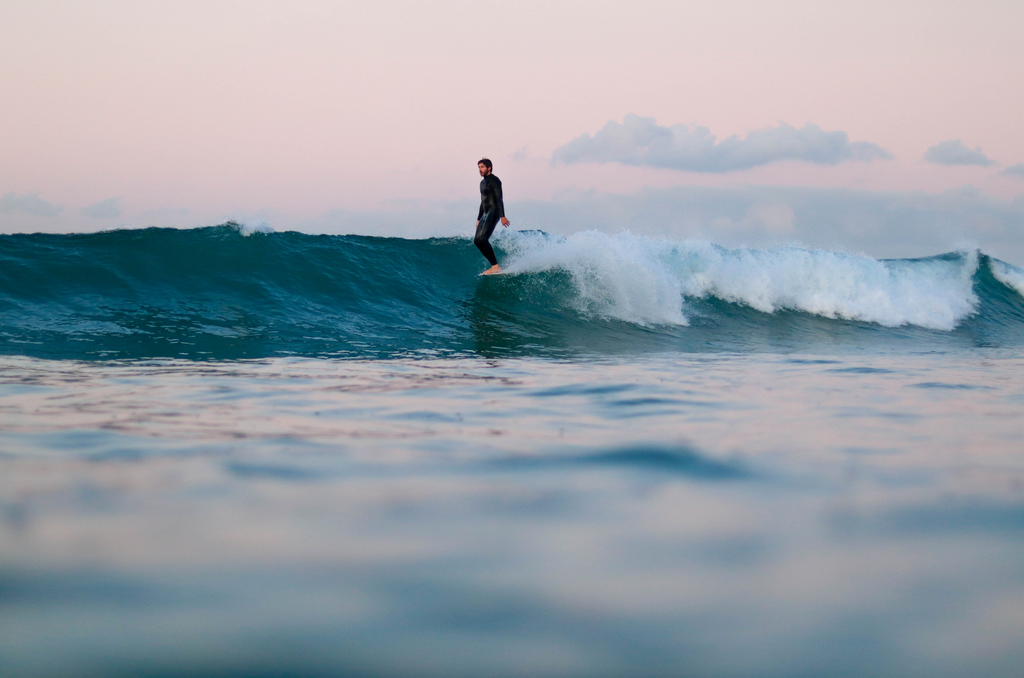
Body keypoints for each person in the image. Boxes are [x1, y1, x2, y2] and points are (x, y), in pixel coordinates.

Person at [474, 158, 510, 275]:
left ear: (489, 168)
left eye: (482, 167)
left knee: (483, 239)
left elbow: (499, 199)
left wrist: (502, 216)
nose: (480, 169)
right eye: (479, 167)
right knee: (477, 241)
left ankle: (495, 266)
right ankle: (494, 266)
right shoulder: (482, 183)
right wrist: (479, 218)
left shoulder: (495, 180)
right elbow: (482, 201)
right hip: (485, 213)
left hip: (494, 212)